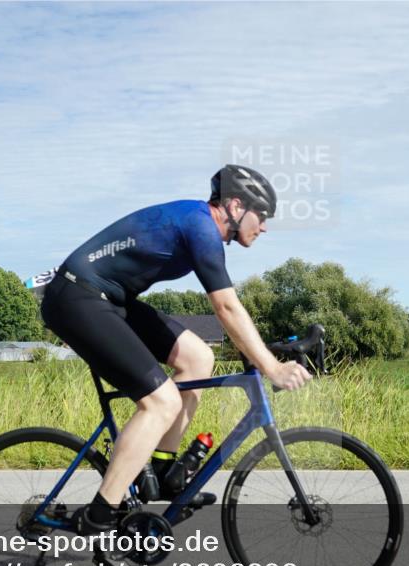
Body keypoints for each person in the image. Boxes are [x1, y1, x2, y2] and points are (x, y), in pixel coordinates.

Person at [40, 165, 312, 535]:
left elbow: (230, 311)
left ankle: (165, 467)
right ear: (234, 205)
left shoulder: (199, 224)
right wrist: (271, 367)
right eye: (261, 215)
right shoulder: (200, 226)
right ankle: (100, 514)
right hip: (76, 298)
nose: (263, 226)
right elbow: (227, 308)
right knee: (161, 401)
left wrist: (264, 351)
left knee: (199, 357)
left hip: (111, 300)